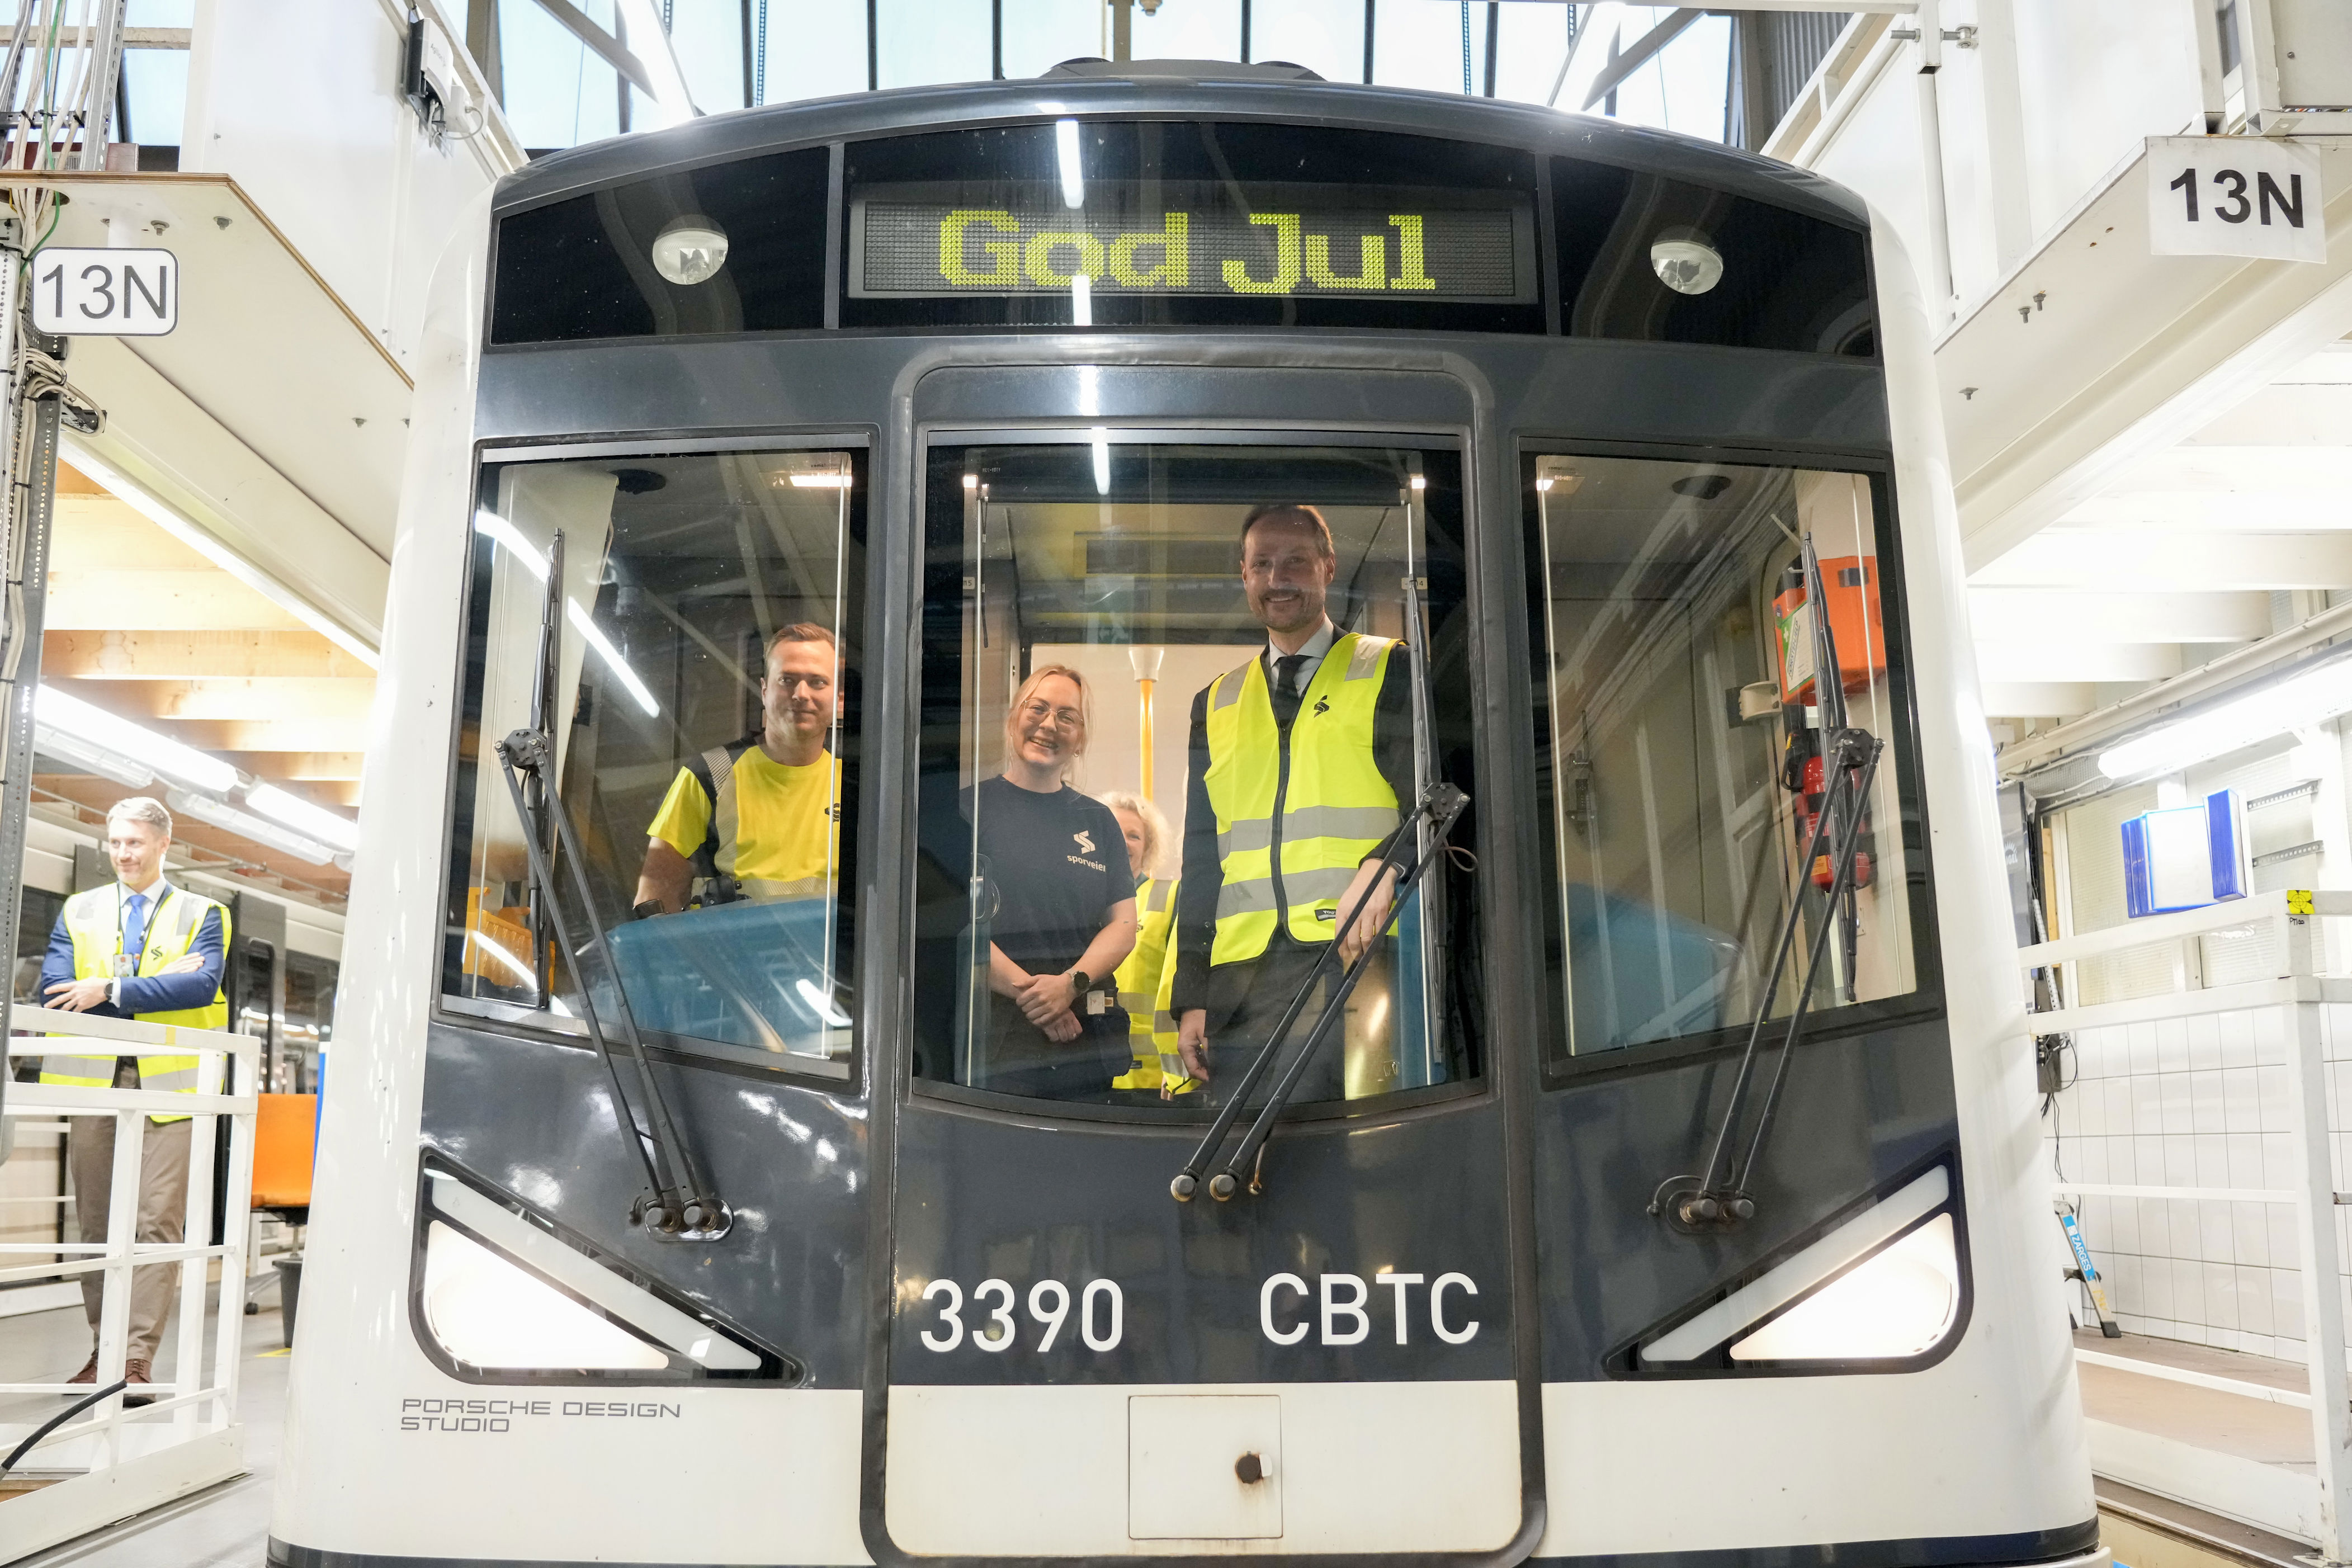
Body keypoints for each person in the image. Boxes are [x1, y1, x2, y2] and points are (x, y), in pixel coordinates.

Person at [1170, 503, 1417, 1104]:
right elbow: (1201, 858)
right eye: (1263, 564)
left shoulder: (1389, 667)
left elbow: (1432, 801)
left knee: (1335, 1154)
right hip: (1242, 981)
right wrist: (1191, 994)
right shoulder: (1216, 702)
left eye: (1296, 562)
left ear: (1329, 568)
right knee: (1243, 1163)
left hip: (1355, 958)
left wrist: (1385, 864)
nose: (1278, 578)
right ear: (1245, 575)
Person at [39, 796, 230, 1401]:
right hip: (92, 1079)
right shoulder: (80, 909)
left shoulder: (205, 913)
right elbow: (55, 989)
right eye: (116, 841)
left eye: (136, 842)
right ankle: (103, 1351)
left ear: (163, 844)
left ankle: (135, 1358)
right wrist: (155, 985)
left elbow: (201, 983)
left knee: (155, 1222)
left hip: (171, 1087)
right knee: (97, 1223)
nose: (123, 853)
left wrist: (109, 988)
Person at [965, 665, 1137, 1099]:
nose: (1048, 725)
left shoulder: (1098, 822)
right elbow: (953, 923)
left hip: (1083, 1043)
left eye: (1067, 717)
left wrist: (1069, 986)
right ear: (1012, 719)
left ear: (1079, 739)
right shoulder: (968, 809)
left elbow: (1123, 925)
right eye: (1037, 708)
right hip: (995, 1044)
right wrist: (1039, 998)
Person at [636, 622, 843, 913]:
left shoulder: (859, 782)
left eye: (818, 682)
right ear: (764, 689)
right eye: (787, 680)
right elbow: (654, 899)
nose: (801, 694)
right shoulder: (710, 774)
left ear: (839, 699)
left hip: (835, 959)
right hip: (730, 956)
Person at [1097, 790, 1191, 1099]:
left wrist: (1176, 1072)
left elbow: (1180, 987)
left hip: (1151, 1080)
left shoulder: (1172, 897)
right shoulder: (1075, 903)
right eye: (1112, 832)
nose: (1123, 842)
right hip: (1087, 1067)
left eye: (1134, 836)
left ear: (1148, 847)